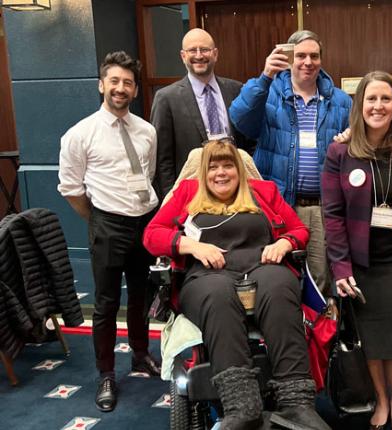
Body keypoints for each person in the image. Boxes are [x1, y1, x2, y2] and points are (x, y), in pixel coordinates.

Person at [143, 139, 330, 430]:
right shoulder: (187, 193)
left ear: (239, 169)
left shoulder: (263, 192)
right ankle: (242, 406)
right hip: (206, 276)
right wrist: (190, 245)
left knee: (280, 286)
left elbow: (298, 229)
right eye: (213, 167)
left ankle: (296, 404)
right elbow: (152, 234)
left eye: (228, 165)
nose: (221, 173)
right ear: (203, 172)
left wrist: (284, 242)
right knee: (218, 295)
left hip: (263, 267)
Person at [322, 71, 392, 430]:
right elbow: (332, 215)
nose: (378, 106)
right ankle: (380, 399)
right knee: (370, 339)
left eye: (386, 99)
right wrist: (340, 267)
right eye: (371, 99)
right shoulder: (340, 151)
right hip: (360, 262)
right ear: (360, 105)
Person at [58, 51, 161, 413]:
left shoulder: (146, 130)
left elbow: (146, 176)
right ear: (102, 84)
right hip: (107, 224)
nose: (121, 88)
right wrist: (98, 220)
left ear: (134, 90)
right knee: (104, 304)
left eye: (127, 83)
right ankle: (105, 373)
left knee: (139, 296)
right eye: (114, 81)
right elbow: (71, 188)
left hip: (144, 222)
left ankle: (140, 354)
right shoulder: (80, 134)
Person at [229, 30, 352, 295]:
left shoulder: (340, 101)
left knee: (320, 277)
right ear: (289, 58)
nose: (308, 62)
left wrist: (350, 138)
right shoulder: (267, 92)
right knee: (278, 273)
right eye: (300, 56)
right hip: (278, 205)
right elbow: (239, 119)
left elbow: (356, 146)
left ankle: (318, 333)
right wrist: (264, 77)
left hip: (322, 207)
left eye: (314, 56)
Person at [152, 28, 254, 198]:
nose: (199, 56)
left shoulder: (237, 90)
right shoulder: (166, 98)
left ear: (215, 54)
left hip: (236, 190)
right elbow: (163, 160)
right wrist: (172, 199)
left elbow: (250, 141)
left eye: (205, 50)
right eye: (192, 50)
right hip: (192, 193)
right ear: (183, 56)